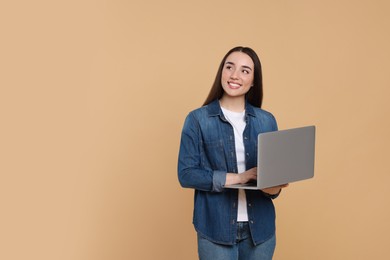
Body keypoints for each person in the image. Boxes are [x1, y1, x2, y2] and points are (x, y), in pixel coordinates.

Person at [178, 46, 288, 260]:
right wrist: (240, 177)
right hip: (215, 228)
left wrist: (272, 186)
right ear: (222, 72)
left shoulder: (267, 120)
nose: (235, 75)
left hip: (260, 231)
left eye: (245, 70)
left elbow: (272, 190)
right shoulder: (197, 119)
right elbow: (186, 174)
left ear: (254, 80)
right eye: (230, 67)